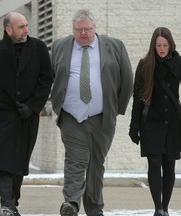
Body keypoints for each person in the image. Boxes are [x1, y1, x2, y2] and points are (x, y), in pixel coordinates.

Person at [51, 9, 134, 216]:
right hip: (71, 116)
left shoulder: (114, 46)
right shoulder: (60, 46)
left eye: (87, 29)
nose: (83, 34)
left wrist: (116, 110)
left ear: (95, 28)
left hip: (102, 117)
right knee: (76, 159)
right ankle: (71, 203)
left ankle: (95, 207)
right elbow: (50, 77)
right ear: (73, 30)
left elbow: (127, 79)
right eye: (79, 30)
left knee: (96, 162)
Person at [0, 12, 53, 216]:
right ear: (8, 30)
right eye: (21, 27)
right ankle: (6, 204)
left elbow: (46, 80)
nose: (26, 30)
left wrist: (33, 106)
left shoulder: (39, 48)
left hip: (28, 117)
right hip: (1, 116)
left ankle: (12, 202)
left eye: (27, 26)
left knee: (19, 163)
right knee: (3, 162)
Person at [129, 27, 181, 216]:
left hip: (172, 122)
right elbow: (138, 98)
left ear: (170, 44)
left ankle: (166, 207)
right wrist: (134, 126)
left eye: (165, 45)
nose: (162, 49)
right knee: (154, 163)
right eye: (158, 45)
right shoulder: (144, 64)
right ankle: (158, 209)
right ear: (153, 45)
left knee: (169, 165)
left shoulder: (180, 63)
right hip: (151, 122)